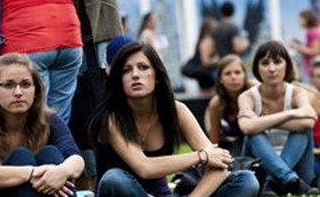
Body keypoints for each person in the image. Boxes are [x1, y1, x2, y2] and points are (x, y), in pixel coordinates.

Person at [90, 41, 259, 197]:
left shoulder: (176, 110)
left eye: (143, 67)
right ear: (119, 80)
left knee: (246, 181)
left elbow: (219, 168)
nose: (135, 75)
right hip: (128, 192)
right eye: (126, 70)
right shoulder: (111, 118)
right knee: (114, 179)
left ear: (157, 76)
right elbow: (145, 168)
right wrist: (200, 156)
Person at [0, 53, 84, 197]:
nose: (18, 93)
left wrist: (62, 172)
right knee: (20, 157)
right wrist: (31, 173)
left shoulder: (50, 120)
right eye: (9, 85)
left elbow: (76, 159)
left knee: (50, 153)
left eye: (26, 84)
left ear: (35, 91)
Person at [238, 41, 320, 196]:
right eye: (265, 63)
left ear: (287, 65)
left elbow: (308, 122)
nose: (271, 69)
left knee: (303, 131)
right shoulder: (247, 96)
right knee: (254, 135)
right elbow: (247, 127)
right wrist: (290, 114)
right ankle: (287, 179)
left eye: (277, 62)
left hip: (299, 169)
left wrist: (260, 121)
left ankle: (274, 182)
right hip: (260, 170)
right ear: (257, 68)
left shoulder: (297, 93)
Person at [205, 55, 256, 155]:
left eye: (237, 72)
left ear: (245, 75)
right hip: (233, 146)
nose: (233, 77)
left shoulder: (255, 90)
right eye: (228, 74)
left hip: (257, 140)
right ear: (220, 79)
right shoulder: (216, 104)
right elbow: (214, 140)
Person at [182, 18, 220, 92]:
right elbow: (206, 61)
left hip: (206, 77)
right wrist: (218, 59)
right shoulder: (207, 42)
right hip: (206, 76)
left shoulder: (204, 41)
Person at [289, 9, 320, 81]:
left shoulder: (313, 32)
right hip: (312, 68)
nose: (298, 21)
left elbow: (315, 51)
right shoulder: (312, 31)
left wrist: (297, 47)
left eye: (300, 19)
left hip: (315, 68)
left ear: (307, 19)